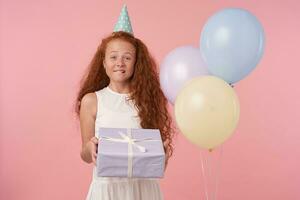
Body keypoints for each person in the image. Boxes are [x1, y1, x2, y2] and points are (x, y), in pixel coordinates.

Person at [74, 5, 175, 200]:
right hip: (107, 189)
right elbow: (85, 155)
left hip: (143, 190)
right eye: (113, 57)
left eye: (127, 58)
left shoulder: (148, 100)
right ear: (103, 63)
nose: (120, 63)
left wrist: (162, 153)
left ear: (137, 64)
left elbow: (158, 161)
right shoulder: (92, 101)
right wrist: (91, 148)